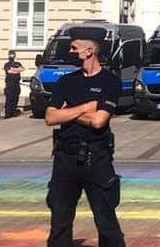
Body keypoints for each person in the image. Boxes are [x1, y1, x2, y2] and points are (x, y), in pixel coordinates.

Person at [44, 26, 124, 247]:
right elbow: (50, 117)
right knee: (59, 220)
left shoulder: (110, 81)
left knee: (106, 221)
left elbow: (99, 121)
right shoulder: (66, 81)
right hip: (64, 158)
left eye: (74, 47)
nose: (70, 51)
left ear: (89, 50)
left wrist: (68, 111)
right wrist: (83, 109)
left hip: (96, 158)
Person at [3, 49, 24, 118]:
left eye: (12, 54)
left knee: (15, 98)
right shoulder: (7, 64)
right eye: (10, 54)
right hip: (9, 83)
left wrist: (14, 69)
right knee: (9, 98)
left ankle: (13, 112)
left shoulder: (18, 63)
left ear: (15, 55)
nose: (11, 56)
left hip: (16, 83)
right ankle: (8, 114)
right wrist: (16, 70)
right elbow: (9, 71)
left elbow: (22, 69)